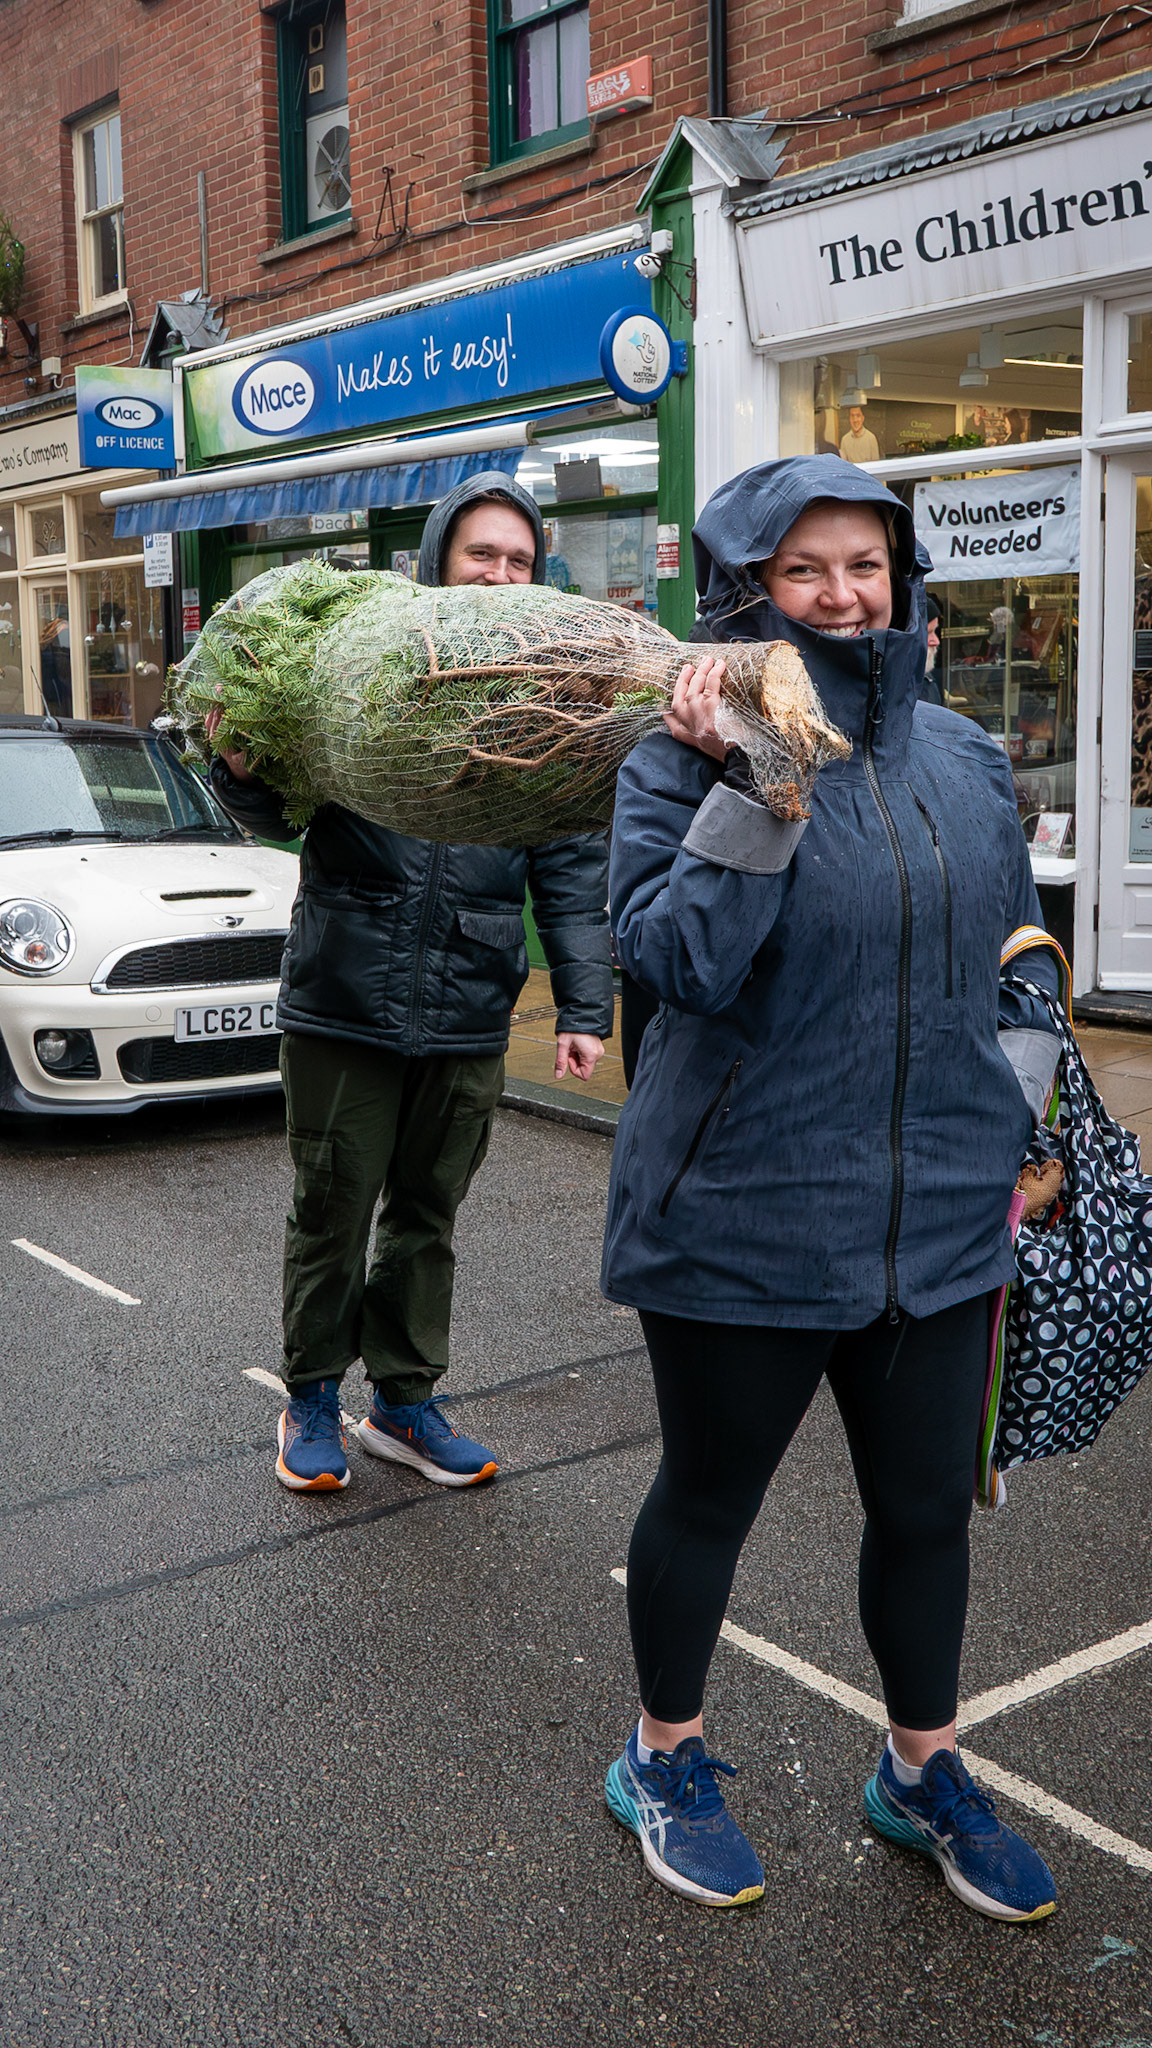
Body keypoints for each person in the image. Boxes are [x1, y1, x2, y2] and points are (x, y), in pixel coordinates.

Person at [600, 456, 1062, 1922]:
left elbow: (1019, 959)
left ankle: (919, 1770)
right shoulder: (677, 759)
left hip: (939, 1227)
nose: (844, 593)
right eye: (806, 571)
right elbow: (674, 966)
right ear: (748, 593)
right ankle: (661, 1754)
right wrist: (768, 775)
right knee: (709, 1501)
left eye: (865, 564)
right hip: (744, 1210)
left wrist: (1026, 1130)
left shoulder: (969, 758)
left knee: (927, 1513)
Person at [207, 472, 613, 1493]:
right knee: (334, 1207)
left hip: (472, 1000)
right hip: (347, 992)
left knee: (428, 1215)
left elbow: (569, 865)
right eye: (484, 553)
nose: (502, 574)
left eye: (520, 560)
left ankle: (402, 1399)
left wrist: (584, 1005)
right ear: (438, 561)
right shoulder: (363, 668)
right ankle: (309, 1396)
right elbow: (278, 812)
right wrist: (242, 768)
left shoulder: (543, 698)